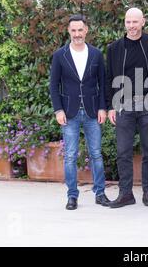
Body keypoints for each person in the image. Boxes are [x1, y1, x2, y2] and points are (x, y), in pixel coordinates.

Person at [49, 14, 109, 210]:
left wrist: (103, 107)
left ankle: (100, 193)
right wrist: (58, 109)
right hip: (69, 113)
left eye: (80, 30)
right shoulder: (60, 55)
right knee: (70, 156)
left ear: (86, 30)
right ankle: (72, 196)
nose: (77, 34)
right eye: (73, 30)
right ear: (69, 31)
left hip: (92, 112)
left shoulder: (96, 54)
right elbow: (53, 85)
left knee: (97, 154)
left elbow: (103, 83)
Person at [105, 8, 148, 208]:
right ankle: (126, 194)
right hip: (123, 105)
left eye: (135, 22)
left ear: (143, 22)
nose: (132, 26)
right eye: (128, 22)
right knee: (123, 151)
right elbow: (109, 78)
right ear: (124, 23)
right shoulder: (114, 48)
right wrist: (110, 106)